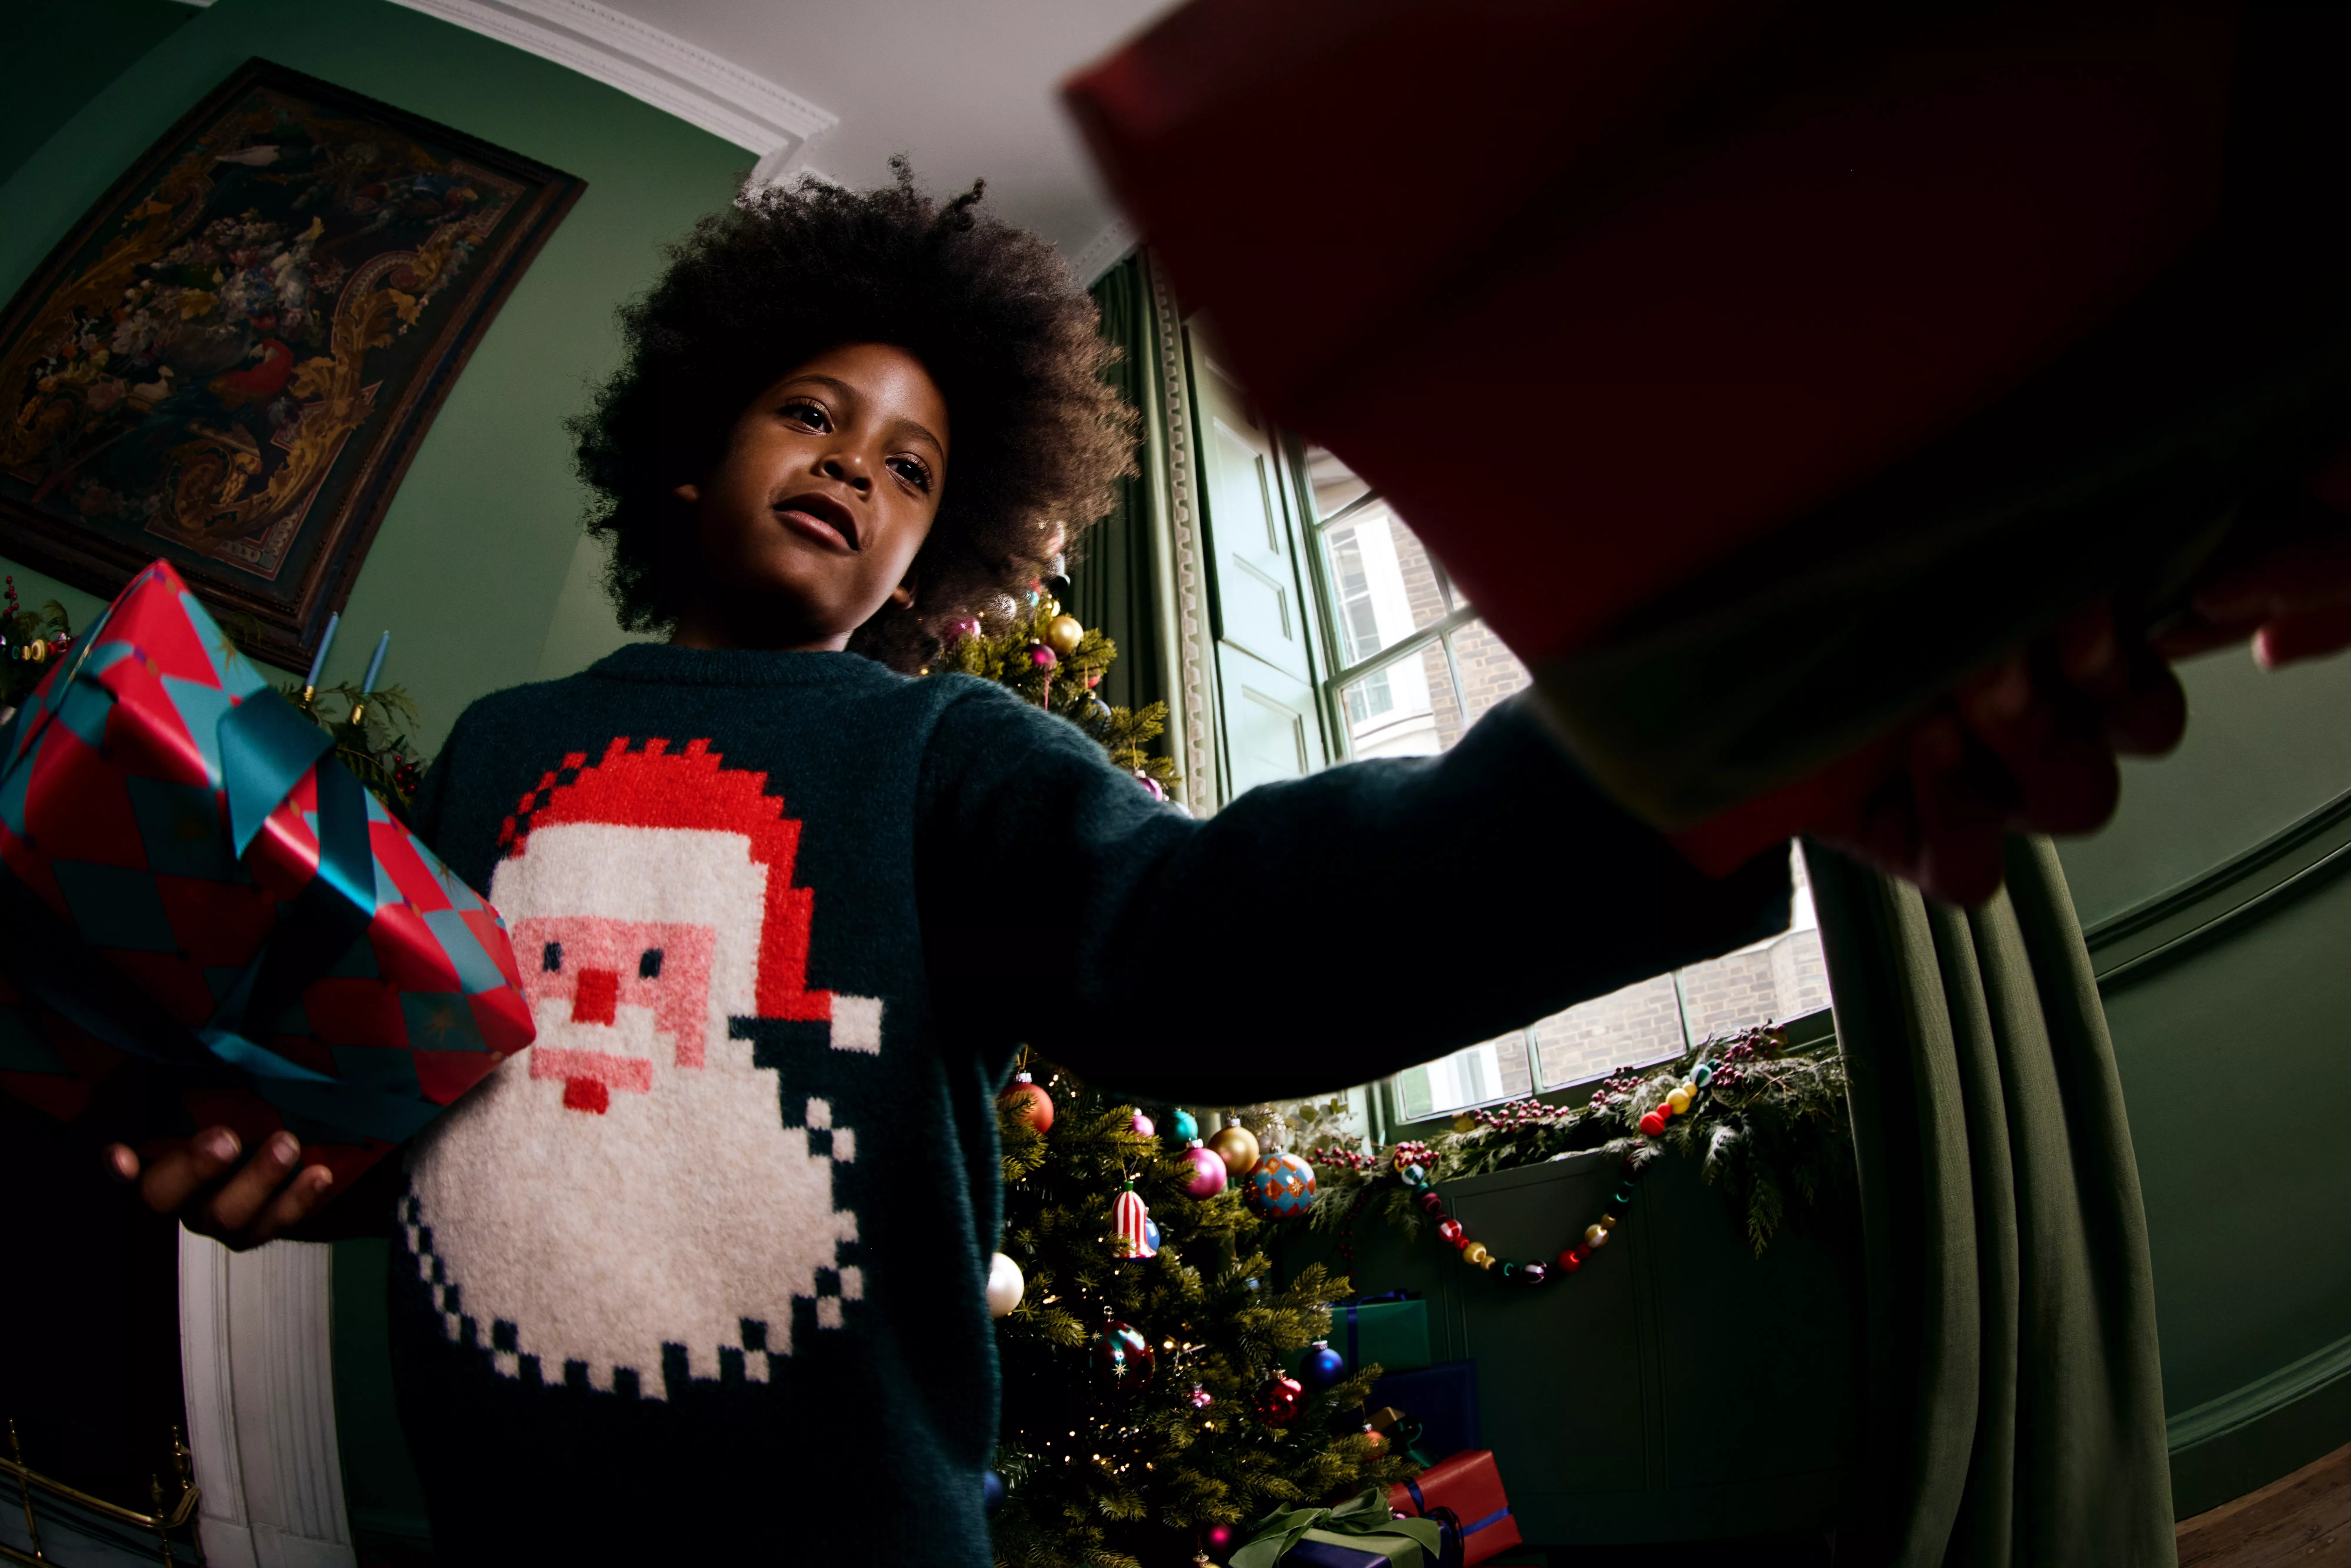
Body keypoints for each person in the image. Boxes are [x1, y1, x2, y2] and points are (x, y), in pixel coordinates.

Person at [99, 166, 2341, 1563]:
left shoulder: (938, 756)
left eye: (918, 466)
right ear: (692, 448)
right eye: (816, 414)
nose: (861, 468)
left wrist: (1682, 749)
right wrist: (295, 1157)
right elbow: (444, 1095)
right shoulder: (497, 755)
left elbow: (1223, 942)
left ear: (934, 557)